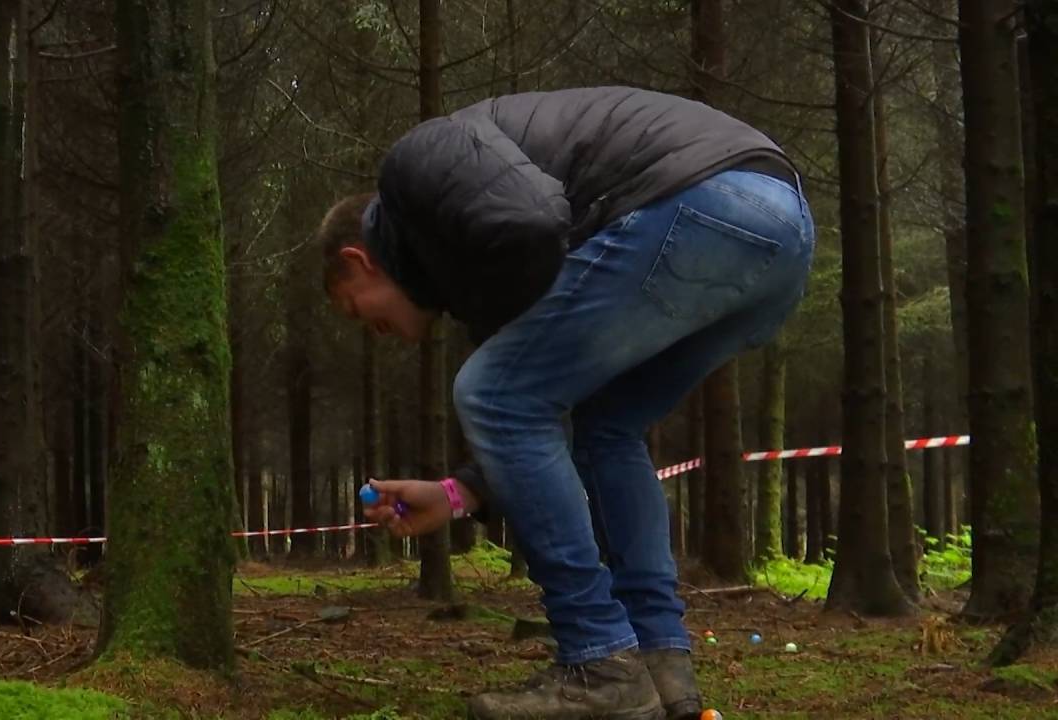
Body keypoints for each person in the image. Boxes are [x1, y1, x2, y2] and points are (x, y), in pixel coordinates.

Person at [319, 86, 815, 720]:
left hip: (704, 200)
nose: (370, 329)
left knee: (490, 391)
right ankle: (663, 668)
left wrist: (504, 355)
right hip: (779, 230)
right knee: (607, 428)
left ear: (356, 260)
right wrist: (458, 493)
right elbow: (545, 408)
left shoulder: (414, 165)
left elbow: (533, 223)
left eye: (354, 309)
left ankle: (599, 657)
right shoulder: (469, 249)